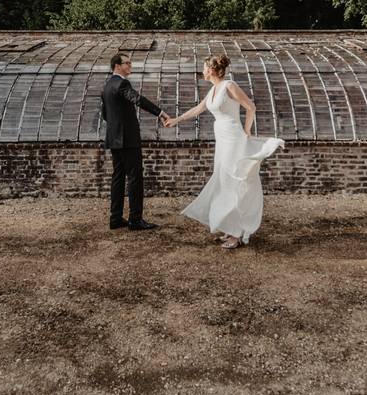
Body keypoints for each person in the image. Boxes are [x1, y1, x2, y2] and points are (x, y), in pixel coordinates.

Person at [165, 54, 284, 249]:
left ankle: (236, 233)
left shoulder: (229, 86)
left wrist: (247, 130)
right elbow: (197, 109)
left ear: (212, 70)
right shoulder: (214, 89)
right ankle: (230, 227)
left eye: (204, 68)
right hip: (222, 140)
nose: (202, 71)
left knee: (232, 180)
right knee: (223, 180)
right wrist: (175, 120)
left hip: (234, 138)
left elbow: (250, 107)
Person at [101, 52, 170, 231]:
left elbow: (105, 115)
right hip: (128, 139)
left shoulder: (107, 86)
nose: (130, 66)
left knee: (117, 177)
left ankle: (115, 218)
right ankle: (135, 219)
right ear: (117, 65)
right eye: (127, 63)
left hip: (114, 139)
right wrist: (160, 113)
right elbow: (137, 99)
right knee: (135, 178)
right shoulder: (122, 84)